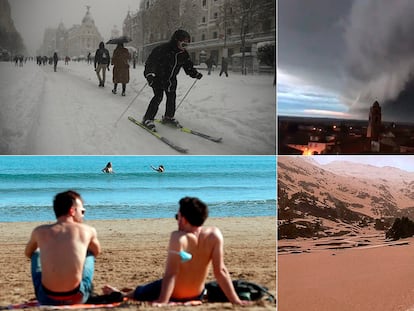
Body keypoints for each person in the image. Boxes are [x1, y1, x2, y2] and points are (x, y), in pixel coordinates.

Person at [102, 197, 249, 306]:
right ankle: (127, 293)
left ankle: (125, 295)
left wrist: (163, 301)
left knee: (147, 289)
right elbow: (221, 271)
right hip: (197, 295)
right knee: (156, 285)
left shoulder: (178, 237)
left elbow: (171, 274)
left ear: (183, 219)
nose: (177, 221)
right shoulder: (215, 234)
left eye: (177, 217)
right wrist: (235, 300)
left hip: (175, 295)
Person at [25, 190, 101, 305]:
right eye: (82, 211)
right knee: (89, 253)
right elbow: (96, 251)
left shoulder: (39, 231)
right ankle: (87, 290)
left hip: (46, 298)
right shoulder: (88, 230)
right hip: (77, 297)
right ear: (72, 211)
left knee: (36, 253)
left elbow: (28, 253)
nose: (83, 215)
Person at [141, 29, 203, 131]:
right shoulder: (162, 49)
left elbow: (188, 67)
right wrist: (149, 75)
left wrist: (195, 74)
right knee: (158, 97)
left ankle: (168, 117)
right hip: (158, 78)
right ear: (176, 40)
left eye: (187, 44)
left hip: (171, 80)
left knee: (171, 97)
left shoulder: (184, 54)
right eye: (183, 43)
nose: (185, 46)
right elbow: (150, 63)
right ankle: (147, 118)